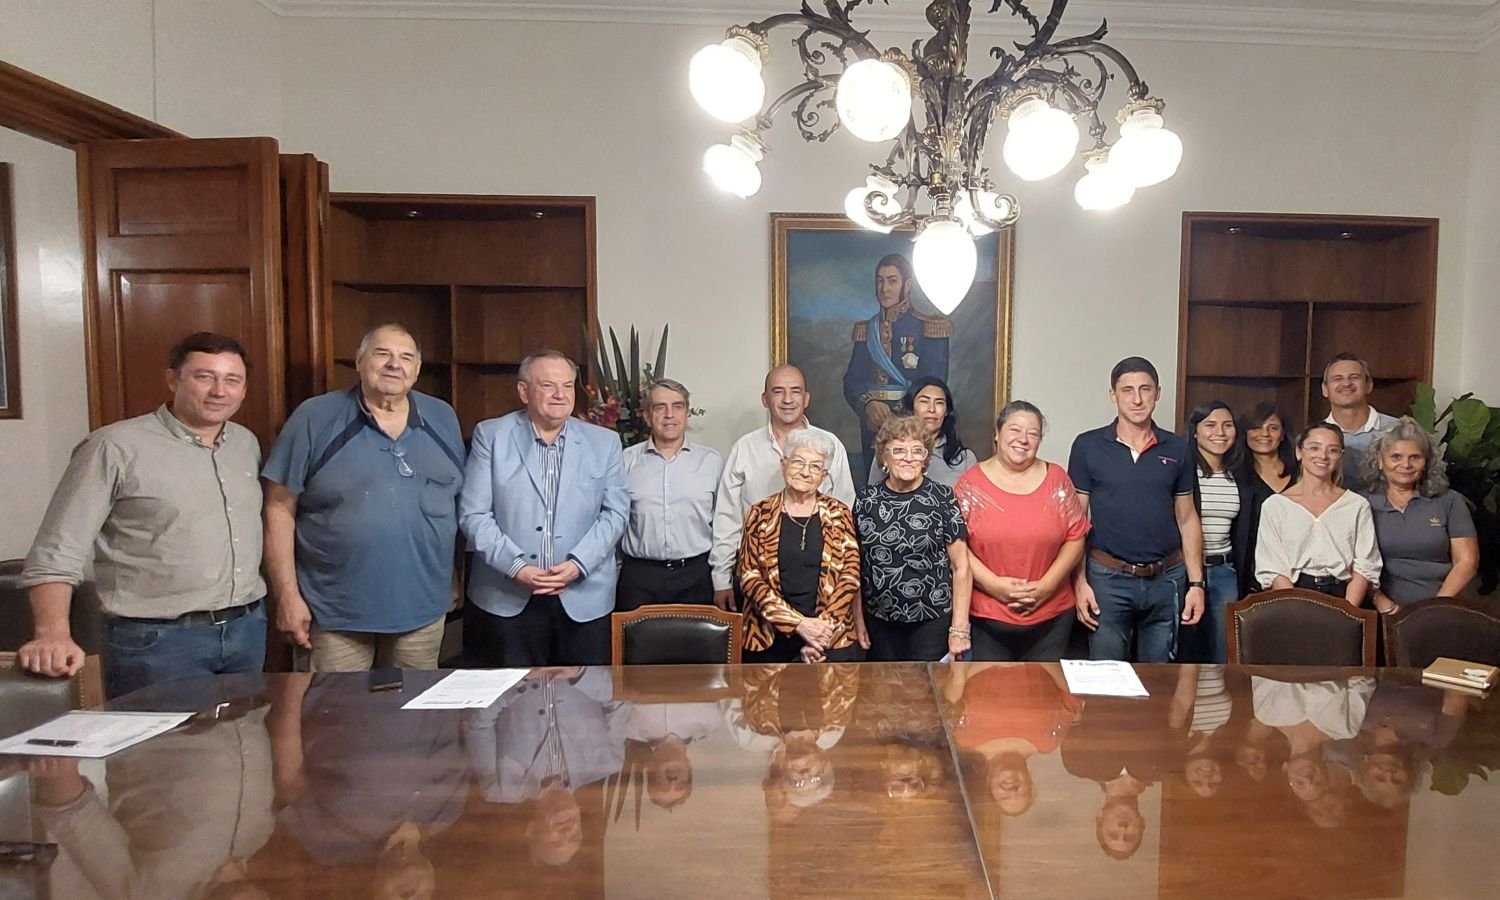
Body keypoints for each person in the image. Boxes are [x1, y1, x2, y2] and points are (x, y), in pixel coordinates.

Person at [18, 332, 266, 698]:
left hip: (246, 630)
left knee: (242, 749)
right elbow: (57, 550)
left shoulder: (245, 444)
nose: (219, 391)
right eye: (204, 376)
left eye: (232, 380)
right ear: (173, 379)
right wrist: (52, 634)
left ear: (244, 389)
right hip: (156, 642)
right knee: (161, 754)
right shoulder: (114, 447)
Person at [262, 324, 465, 672]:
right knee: (336, 718)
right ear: (359, 362)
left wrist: (453, 576)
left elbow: (452, 502)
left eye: (405, 357)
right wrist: (287, 597)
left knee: (414, 720)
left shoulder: (442, 417)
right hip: (335, 613)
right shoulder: (315, 417)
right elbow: (278, 507)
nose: (394, 365)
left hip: (422, 609)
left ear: (416, 370)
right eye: (382, 354)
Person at [458, 350, 628, 667]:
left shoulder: (604, 443)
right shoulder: (491, 436)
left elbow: (615, 514)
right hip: (506, 598)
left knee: (582, 708)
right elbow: (474, 515)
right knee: (512, 709)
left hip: (583, 597)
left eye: (567, 385)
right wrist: (516, 567)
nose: (560, 395)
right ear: (524, 391)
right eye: (548, 385)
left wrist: (579, 564)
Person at [1068, 357, 1206, 662]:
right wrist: (1078, 583)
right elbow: (1076, 521)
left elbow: (1187, 517)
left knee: (1160, 684)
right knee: (1106, 682)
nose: (1137, 398)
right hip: (1107, 578)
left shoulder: (1178, 448)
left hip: (1167, 578)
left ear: (1158, 393)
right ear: (1113, 395)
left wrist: (1196, 583)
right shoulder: (1088, 446)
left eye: (1146, 389)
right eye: (1127, 390)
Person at [710, 365, 855, 610]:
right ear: (765, 400)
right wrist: (720, 579)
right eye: (778, 392)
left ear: (806, 399)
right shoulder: (744, 449)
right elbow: (727, 519)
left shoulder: (830, 445)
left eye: (795, 391)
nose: (788, 399)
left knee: (818, 644)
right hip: (759, 582)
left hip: (820, 582)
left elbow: (845, 513)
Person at [955, 401, 1089, 662]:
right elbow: (959, 548)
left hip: (1053, 619)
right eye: (1015, 430)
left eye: (1033, 433)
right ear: (997, 433)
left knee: (1046, 698)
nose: (1023, 440)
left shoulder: (1058, 479)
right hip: (988, 618)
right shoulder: (970, 484)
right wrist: (994, 586)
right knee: (989, 699)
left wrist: (1046, 587)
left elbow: (1076, 538)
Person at [853, 415, 972, 661]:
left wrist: (959, 629)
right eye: (898, 450)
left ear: (925, 458)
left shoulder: (942, 498)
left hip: (932, 621)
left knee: (927, 695)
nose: (908, 457)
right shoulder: (866, 500)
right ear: (884, 456)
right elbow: (854, 567)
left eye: (917, 451)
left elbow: (961, 567)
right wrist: (857, 620)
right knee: (882, 695)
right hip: (879, 623)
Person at [738, 428, 862, 663]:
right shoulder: (759, 513)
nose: (805, 472)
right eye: (798, 462)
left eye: (815, 466)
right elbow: (749, 577)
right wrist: (799, 625)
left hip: (830, 636)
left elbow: (851, 574)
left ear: (824, 476)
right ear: (783, 465)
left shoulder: (839, 513)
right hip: (770, 637)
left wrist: (819, 632)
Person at [843, 253, 952, 483]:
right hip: (873, 424)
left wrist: (901, 418)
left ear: (907, 285)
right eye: (880, 281)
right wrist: (868, 404)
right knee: (875, 484)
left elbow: (934, 384)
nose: (885, 288)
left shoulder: (929, 327)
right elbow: (852, 379)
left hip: (912, 422)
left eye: (892, 281)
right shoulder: (867, 329)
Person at [617, 378, 724, 611]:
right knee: (636, 648)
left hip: (695, 577)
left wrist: (721, 578)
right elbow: (614, 523)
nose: (669, 415)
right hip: (639, 578)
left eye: (677, 406)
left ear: (687, 414)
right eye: (659, 407)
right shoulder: (625, 462)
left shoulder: (712, 462)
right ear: (646, 416)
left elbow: (723, 525)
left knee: (695, 648)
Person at [1255, 423, 1382, 604]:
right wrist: (1297, 608)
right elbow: (1273, 567)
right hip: (1293, 595)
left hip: (1343, 594)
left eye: (1332, 450)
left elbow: (1365, 564)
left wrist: (1347, 611)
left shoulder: (1356, 505)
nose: (1322, 456)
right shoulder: (1275, 506)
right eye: (1314, 448)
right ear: (1299, 452)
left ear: (1340, 457)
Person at [1361, 417, 1478, 610]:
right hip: (1379, 608)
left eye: (1415, 457)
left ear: (1426, 463)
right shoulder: (1361, 503)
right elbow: (1356, 565)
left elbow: (1466, 562)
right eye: (1396, 457)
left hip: (1442, 606)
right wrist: (1383, 603)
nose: (1405, 465)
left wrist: (1435, 608)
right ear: (1380, 461)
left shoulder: (1450, 501)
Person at [1183, 401, 1263, 662]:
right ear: (1195, 431)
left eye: (1227, 425)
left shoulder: (1239, 475)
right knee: (1186, 647)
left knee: (1223, 651)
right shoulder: (1182, 472)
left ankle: (1220, 703)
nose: (1220, 432)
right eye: (1210, 425)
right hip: (1184, 572)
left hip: (1224, 571)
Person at [865, 376, 976, 488]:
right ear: (911, 407)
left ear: (946, 411)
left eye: (939, 403)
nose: (931, 409)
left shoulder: (964, 459)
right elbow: (873, 496)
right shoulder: (891, 450)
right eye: (924, 401)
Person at [1322, 352, 1399, 484]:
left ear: (1369, 385)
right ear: (1325, 389)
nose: (1346, 383)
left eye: (1354, 377)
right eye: (1337, 378)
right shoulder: (1315, 437)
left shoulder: (1398, 430)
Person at [1241, 402, 1299, 494]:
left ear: (1283, 434)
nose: (1265, 434)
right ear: (1245, 433)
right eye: (1256, 427)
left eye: (1273, 428)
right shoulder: (1236, 474)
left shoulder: (1301, 470)